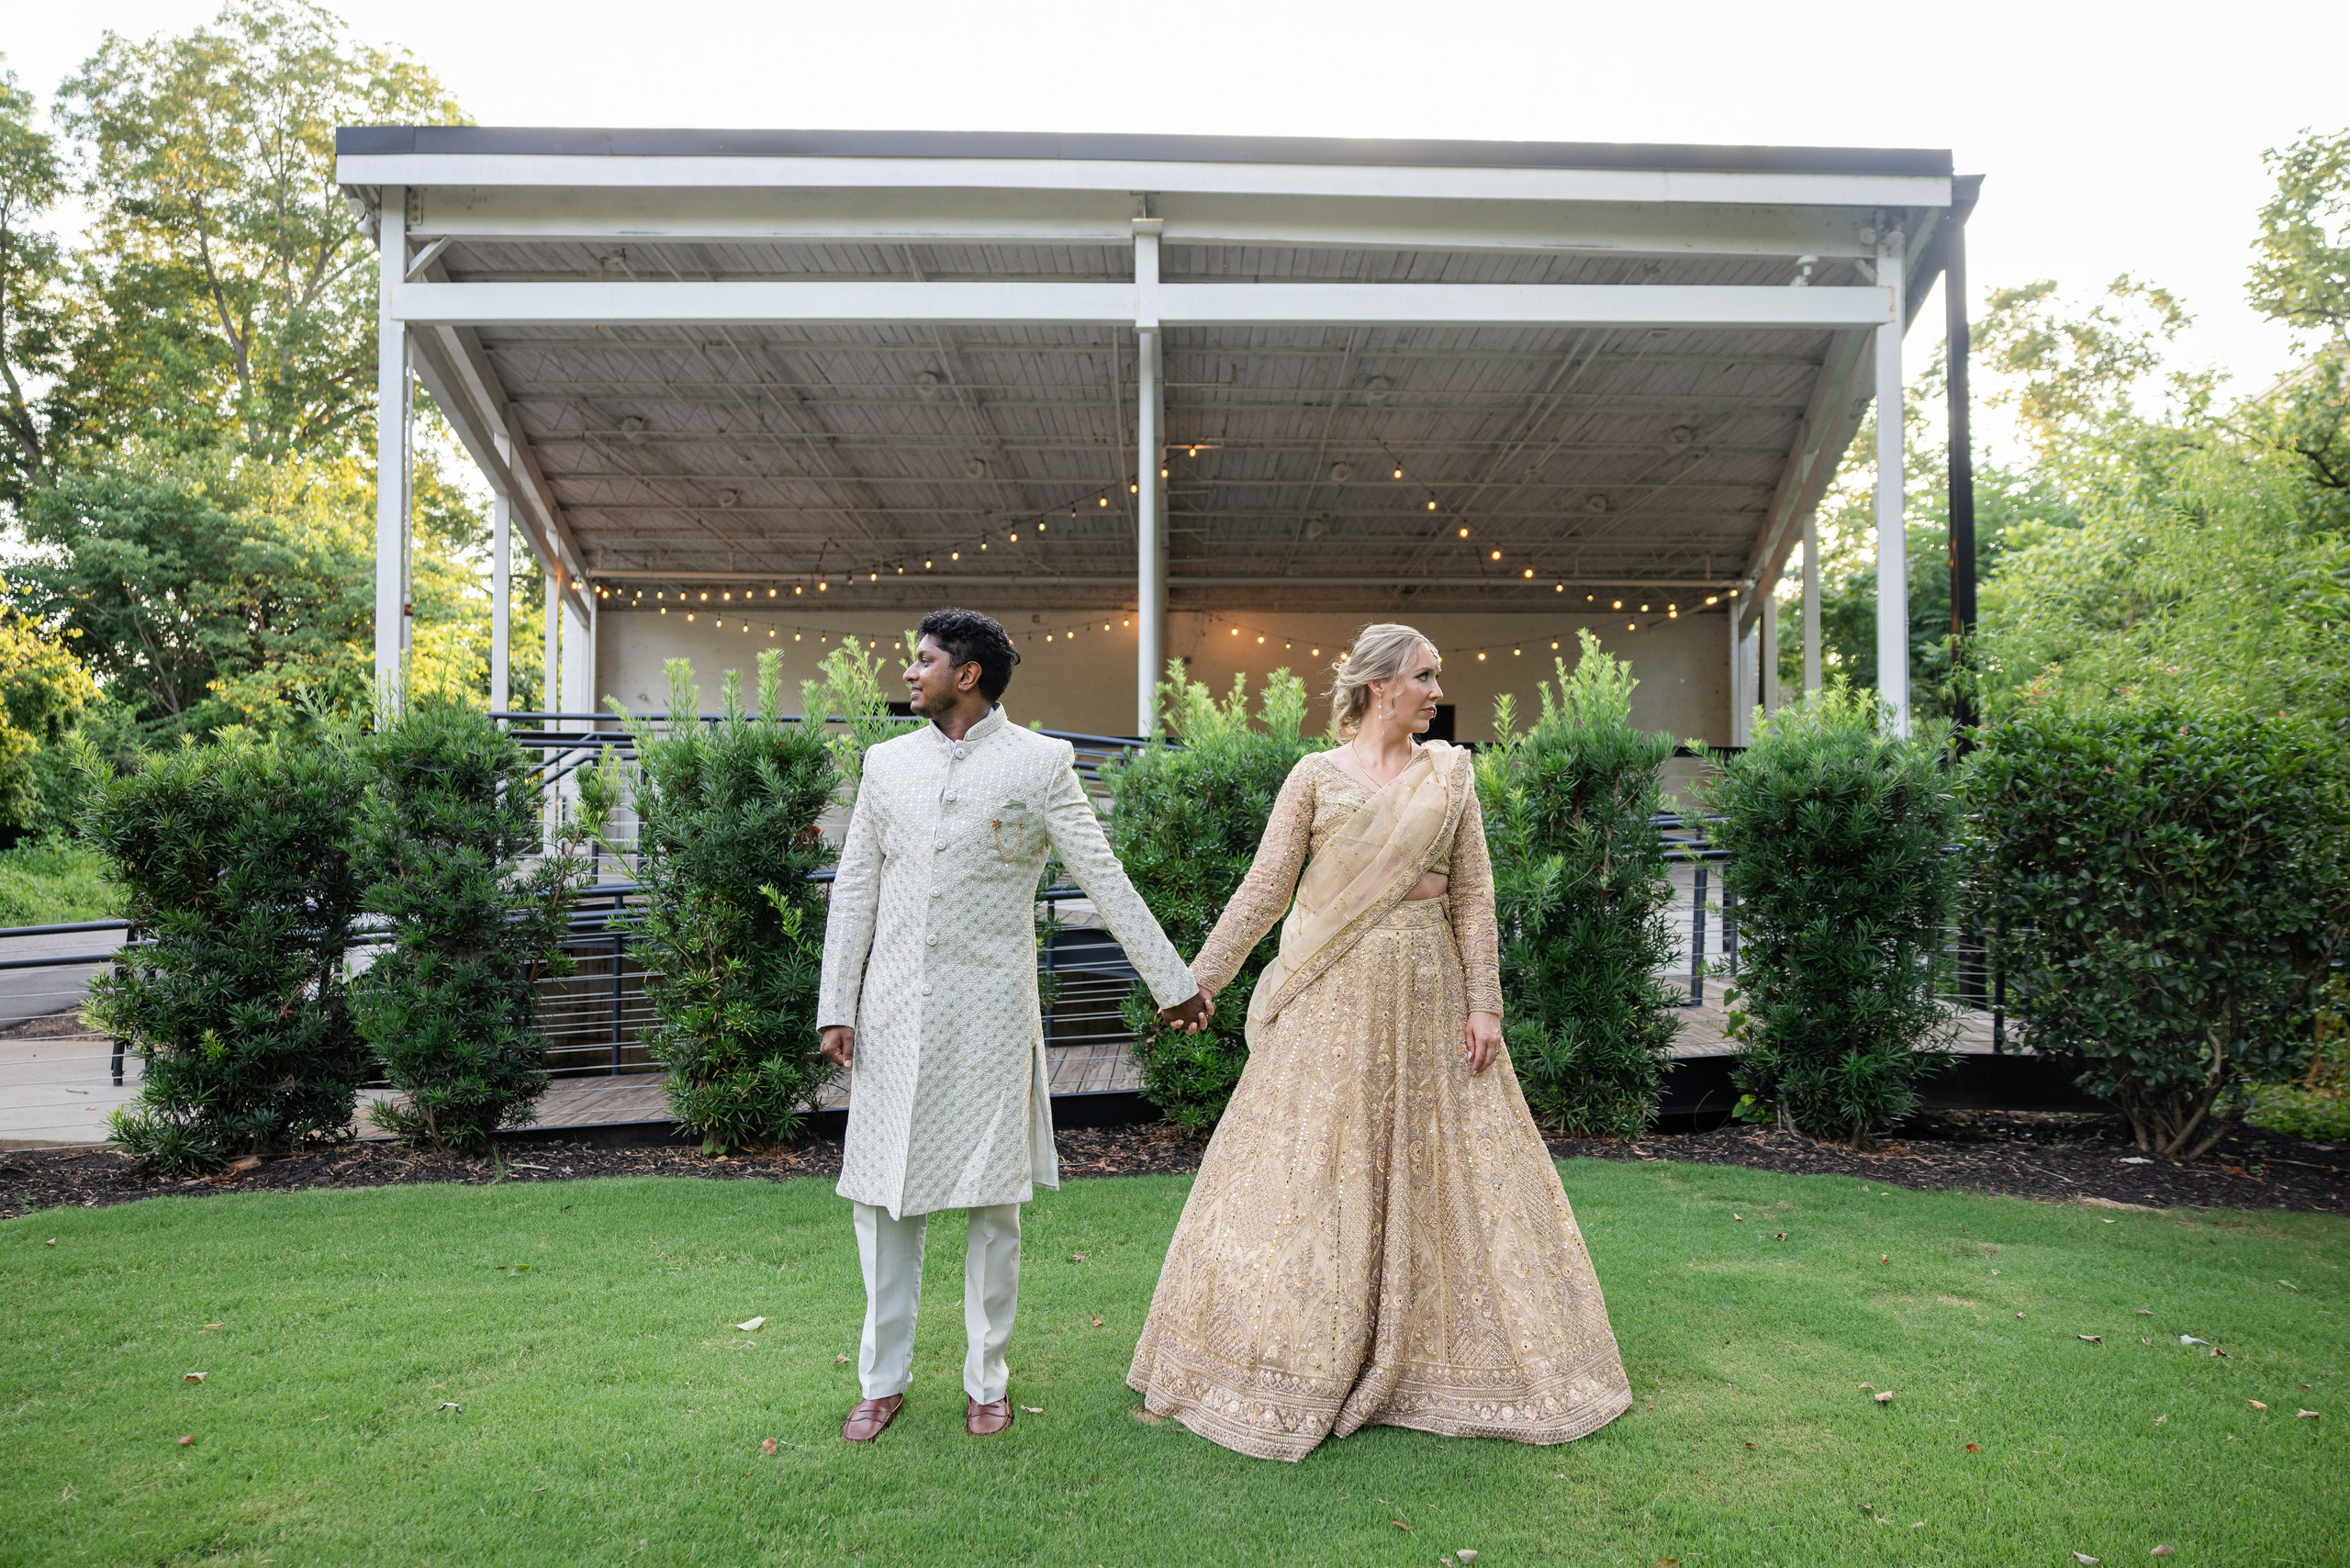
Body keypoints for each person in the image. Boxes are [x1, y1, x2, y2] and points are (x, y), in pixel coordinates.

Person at [1127, 622, 1633, 1462]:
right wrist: (1202, 980)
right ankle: (1288, 1350)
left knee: (1452, 1168)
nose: (1437, 692)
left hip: (1431, 990)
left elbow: (1473, 896)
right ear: (1377, 686)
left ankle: (1436, 1351)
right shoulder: (1314, 778)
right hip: (1333, 997)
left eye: (1437, 677)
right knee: (1313, 1166)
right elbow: (1264, 890)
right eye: (1424, 677)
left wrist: (1486, 1006)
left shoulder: (1452, 776)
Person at [817, 609, 1214, 1444]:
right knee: (885, 1204)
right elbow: (854, 890)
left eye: (924, 661)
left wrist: (1172, 984)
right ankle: (882, 1382)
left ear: (968, 675)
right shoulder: (885, 765)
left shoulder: (1041, 764)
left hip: (992, 1018)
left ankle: (987, 1380)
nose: (911, 674)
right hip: (891, 1016)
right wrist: (836, 1005)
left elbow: (1101, 876)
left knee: (994, 1209)